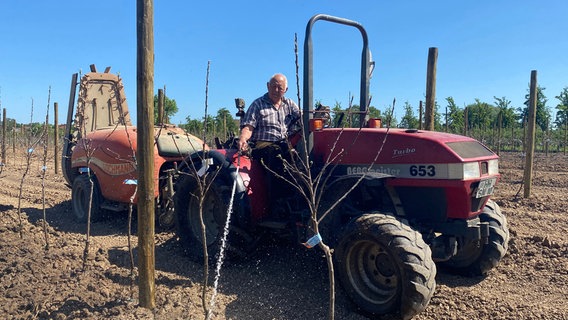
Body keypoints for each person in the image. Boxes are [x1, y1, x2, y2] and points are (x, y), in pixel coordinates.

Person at [238, 74, 301, 212]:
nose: (276, 90)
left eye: (280, 87)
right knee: (277, 154)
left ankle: (300, 197)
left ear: (286, 89)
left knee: (301, 153)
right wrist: (243, 139)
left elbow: (302, 119)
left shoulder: (289, 104)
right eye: (273, 86)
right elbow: (248, 126)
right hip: (263, 144)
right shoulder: (258, 104)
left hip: (285, 143)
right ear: (268, 86)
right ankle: (277, 203)